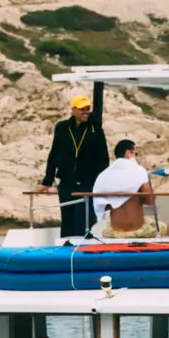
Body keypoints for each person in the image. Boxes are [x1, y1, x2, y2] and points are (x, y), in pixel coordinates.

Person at [36, 93, 110, 239]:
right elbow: (54, 154)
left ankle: (84, 245)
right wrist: (47, 181)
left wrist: (101, 182)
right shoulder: (62, 127)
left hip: (87, 181)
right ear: (73, 110)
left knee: (84, 218)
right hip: (66, 180)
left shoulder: (95, 129)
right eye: (82, 109)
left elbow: (103, 158)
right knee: (67, 218)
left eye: (88, 109)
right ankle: (66, 244)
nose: (85, 112)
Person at [93, 140, 169, 238]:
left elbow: (102, 206)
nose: (137, 157)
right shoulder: (139, 171)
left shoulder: (104, 175)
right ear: (128, 153)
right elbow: (150, 201)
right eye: (136, 154)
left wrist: (117, 201)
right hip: (138, 230)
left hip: (114, 231)